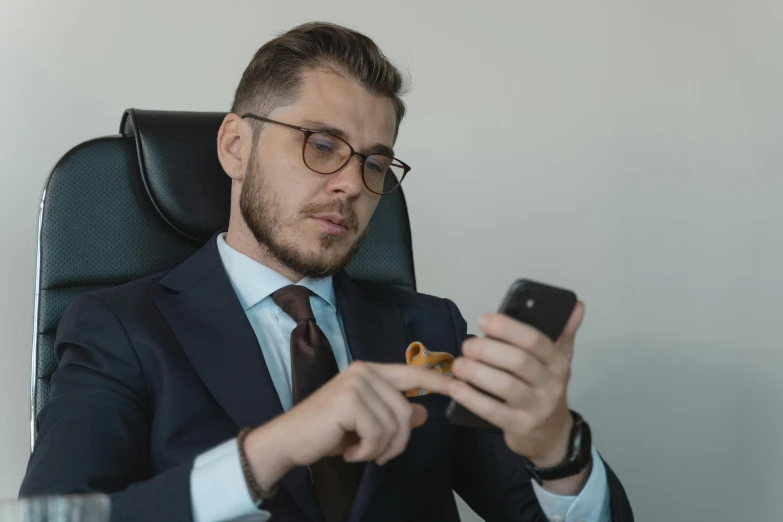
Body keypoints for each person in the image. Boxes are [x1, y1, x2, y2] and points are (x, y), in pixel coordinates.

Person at [20, 22, 632, 522]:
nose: (351, 184)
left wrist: (558, 452)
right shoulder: (119, 328)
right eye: (320, 144)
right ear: (236, 146)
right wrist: (269, 451)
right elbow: (55, 516)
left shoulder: (431, 328)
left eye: (374, 162)